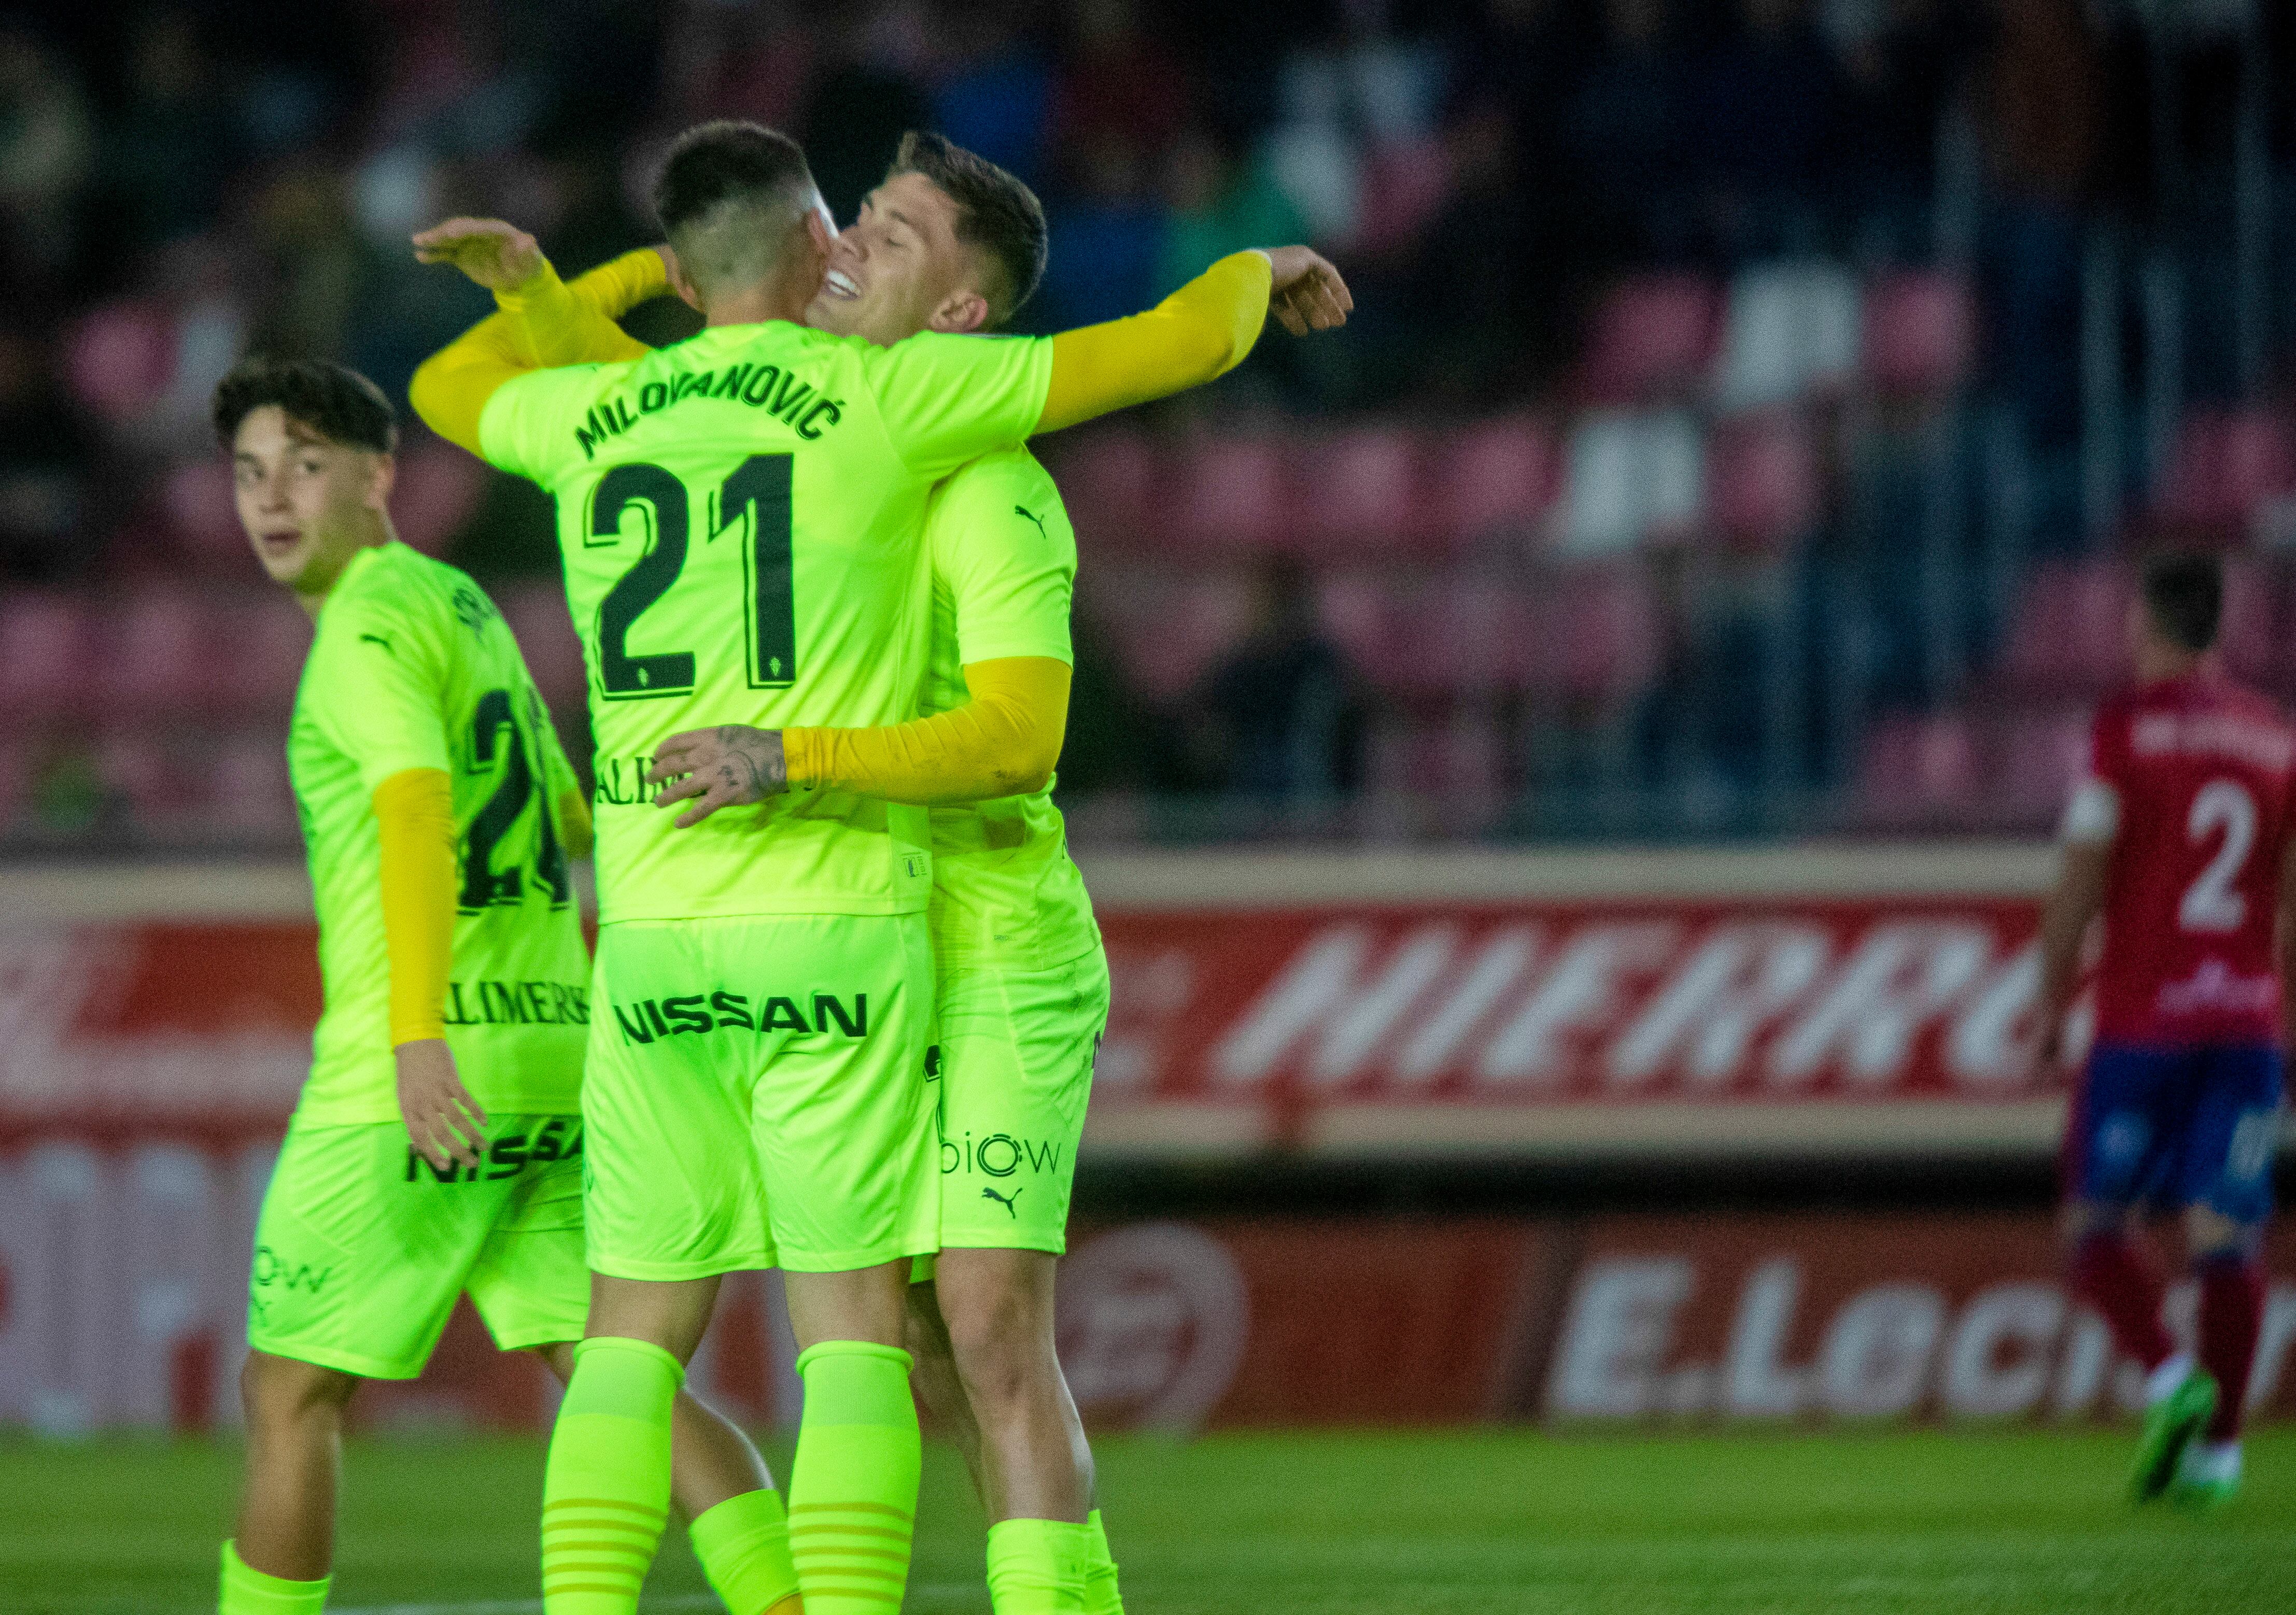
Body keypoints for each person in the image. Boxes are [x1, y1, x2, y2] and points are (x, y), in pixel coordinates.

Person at [406, 118, 1349, 1615]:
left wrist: (793, 755)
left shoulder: (983, 469)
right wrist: (1247, 276)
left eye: (891, 238)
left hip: (976, 928)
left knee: (971, 1322)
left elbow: (1018, 742)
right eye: (846, 221)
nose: (848, 247)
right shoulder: (870, 410)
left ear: (961, 309)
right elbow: (1171, 343)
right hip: (845, 914)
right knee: (879, 1333)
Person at [210, 356, 796, 1615]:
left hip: (417, 1072)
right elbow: (571, 814)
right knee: (614, 1368)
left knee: (288, 1391)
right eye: (251, 472)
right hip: (556, 1056)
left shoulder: (366, 624)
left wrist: (419, 1038)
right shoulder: (458, 605)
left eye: (307, 466)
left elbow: (418, 810)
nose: (274, 497)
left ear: (380, 477)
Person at [2035, 551, 2294, 1508]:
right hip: (2244, 1026)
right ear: (2217, 628)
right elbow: (2293, 902)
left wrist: (2045, 1001)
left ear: (2146, 623)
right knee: (2227, 1235)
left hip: (2142, 1023)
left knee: (2091, 1226)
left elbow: (2080, 875)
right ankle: (2220, 1455)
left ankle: (2163, 1374)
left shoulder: (2124, 732)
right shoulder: (2274, 738)